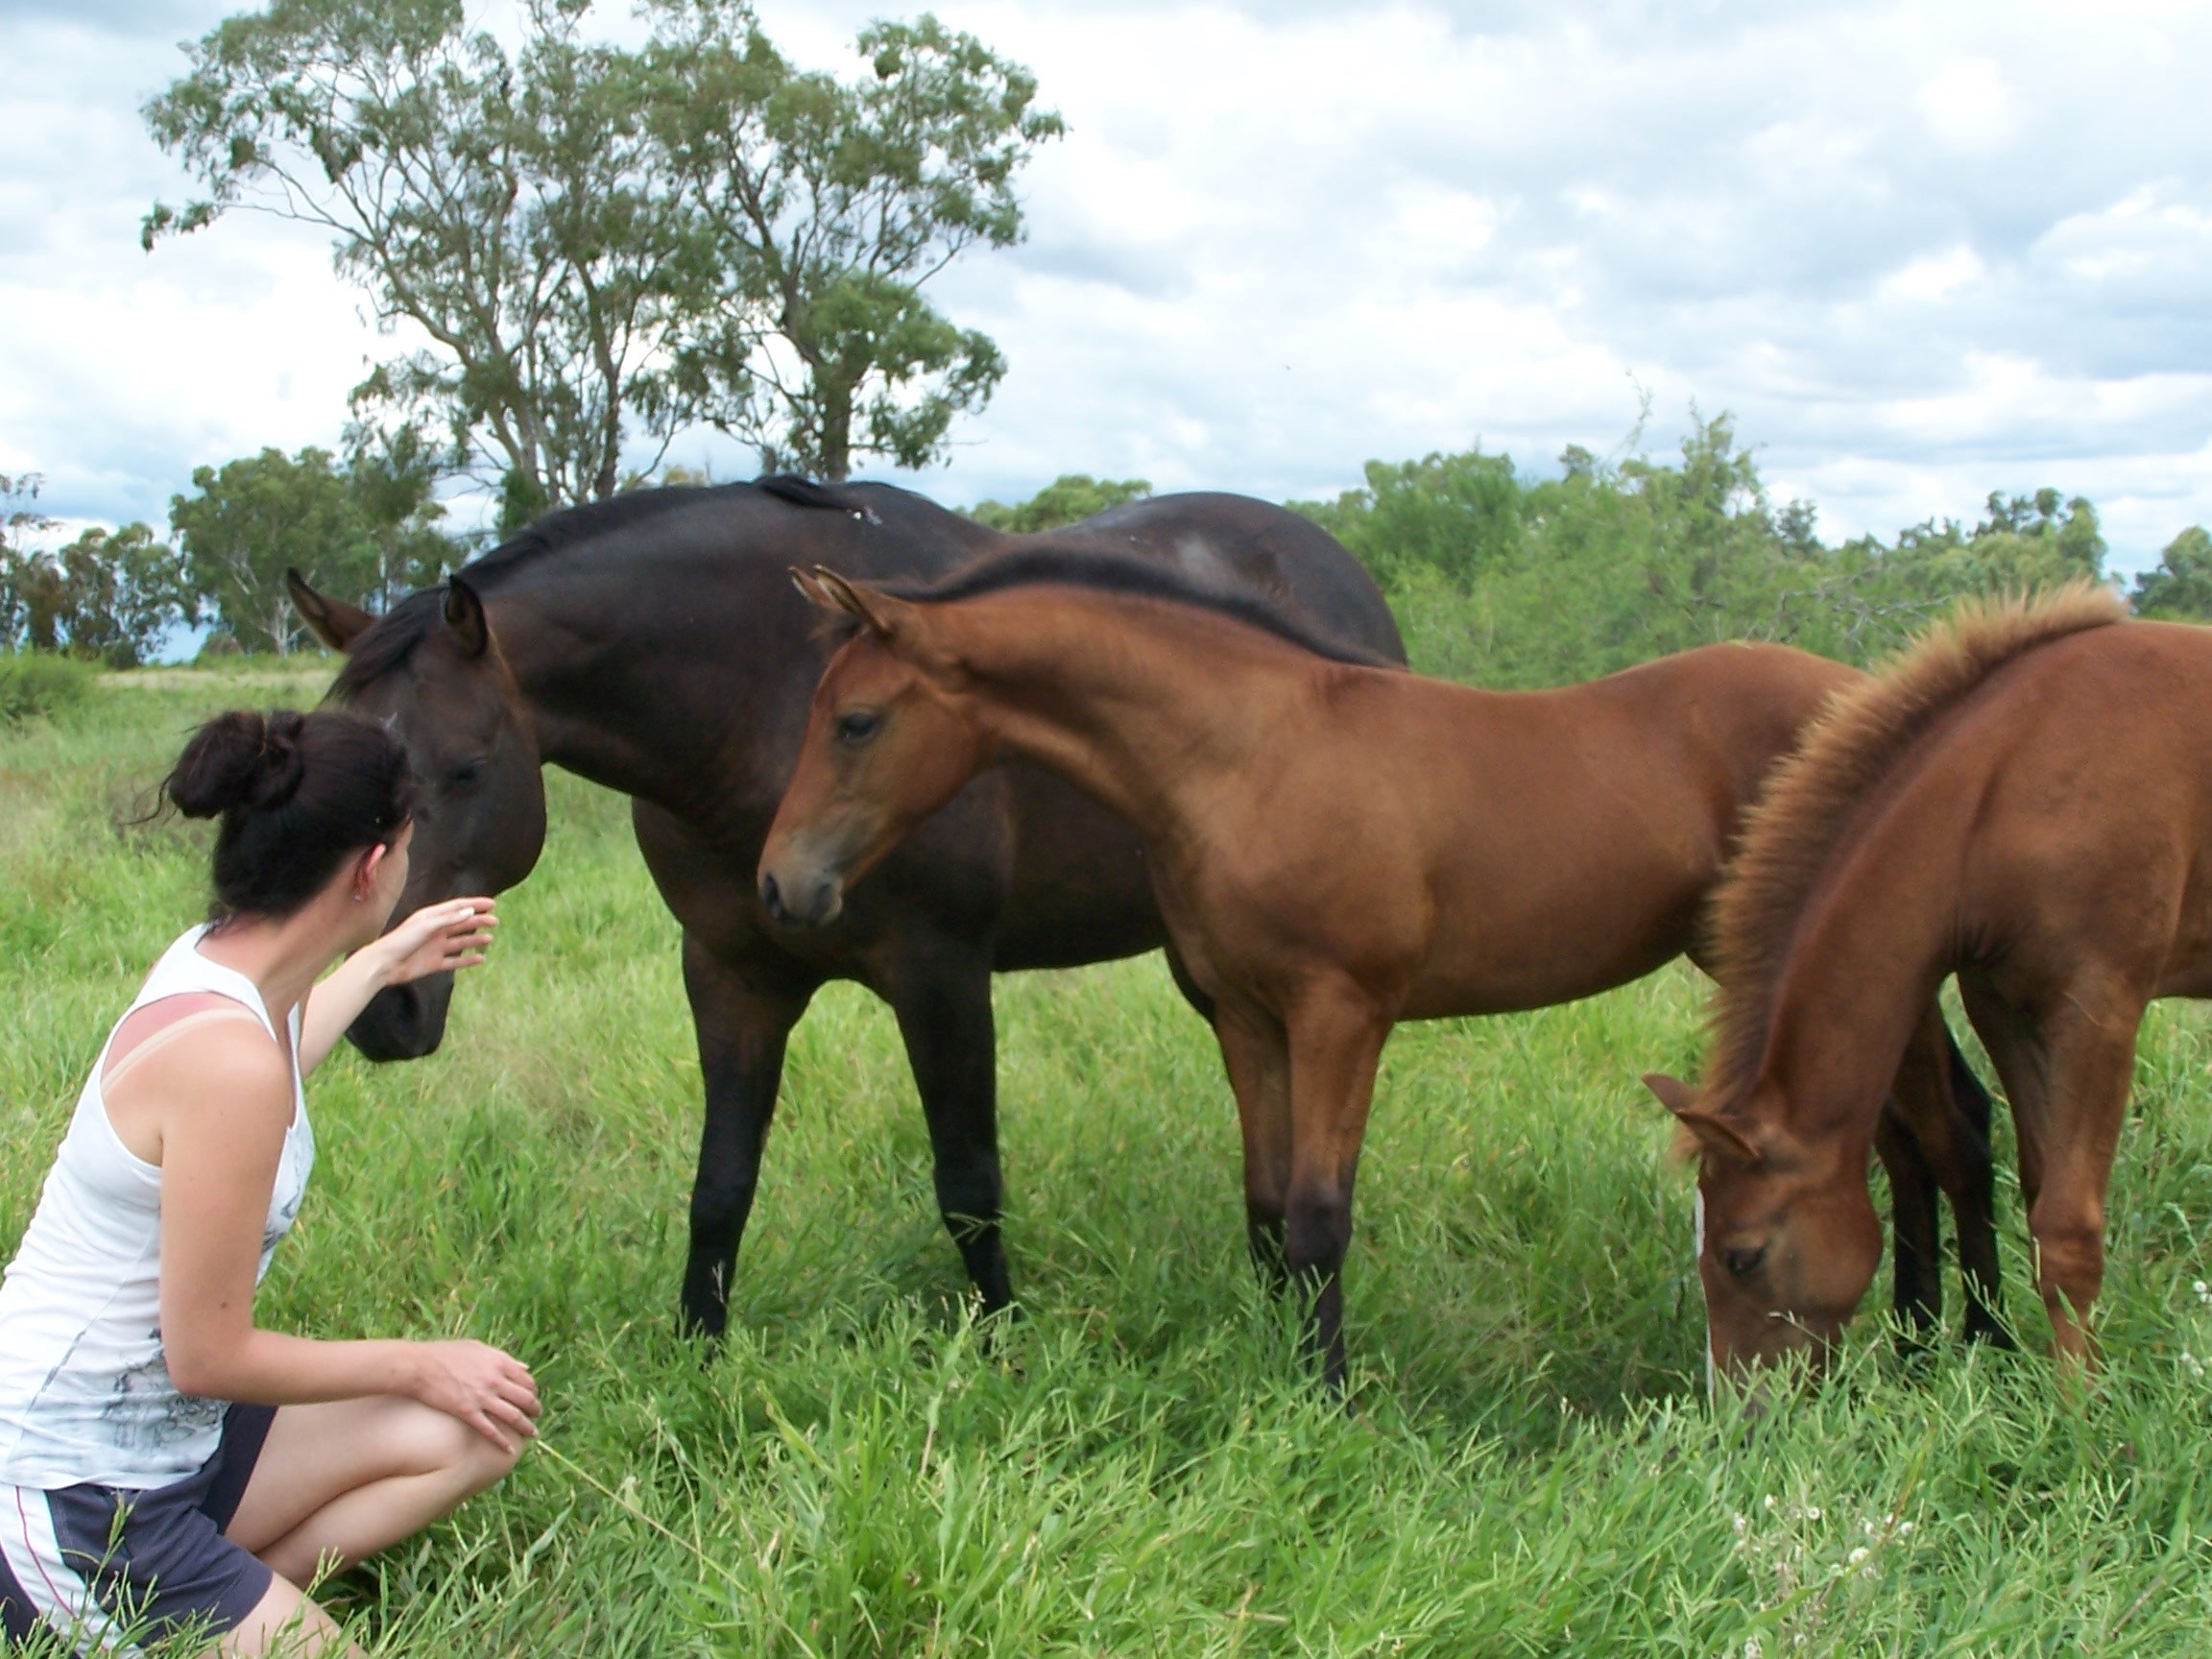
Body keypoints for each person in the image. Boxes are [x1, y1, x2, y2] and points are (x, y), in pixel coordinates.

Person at [0, 709, 540, 1657]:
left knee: (479, 1426)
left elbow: (279, 1051)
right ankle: (170, 1612)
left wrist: (379, 961)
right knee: (444, 1394)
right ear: (372, 868)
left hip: (175, 1442)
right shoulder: (227, 1063)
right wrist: (417, 1359)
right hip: (72, 1488)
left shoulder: (223, 967)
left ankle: (234, 1599)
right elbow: (207, 1359)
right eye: (408, 848)